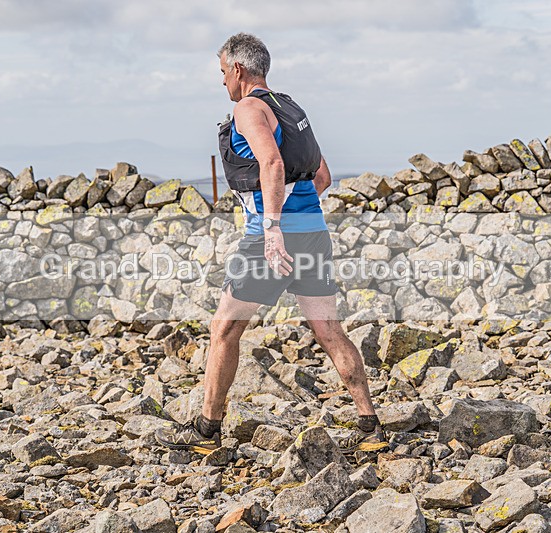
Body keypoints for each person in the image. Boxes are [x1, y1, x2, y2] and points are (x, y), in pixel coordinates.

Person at [155, 32, 386, 455]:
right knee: (329, 329)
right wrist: (297, 216)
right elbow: (322, 177)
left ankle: (208, 431)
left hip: (269, 238)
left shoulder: (248, 108)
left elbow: (272, 162)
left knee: (223, 329)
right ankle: (370, 424)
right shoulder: (290, 107)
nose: (222, 80)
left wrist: (275, 228)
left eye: (222, 71)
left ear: (238, 70)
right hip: (313, 234)